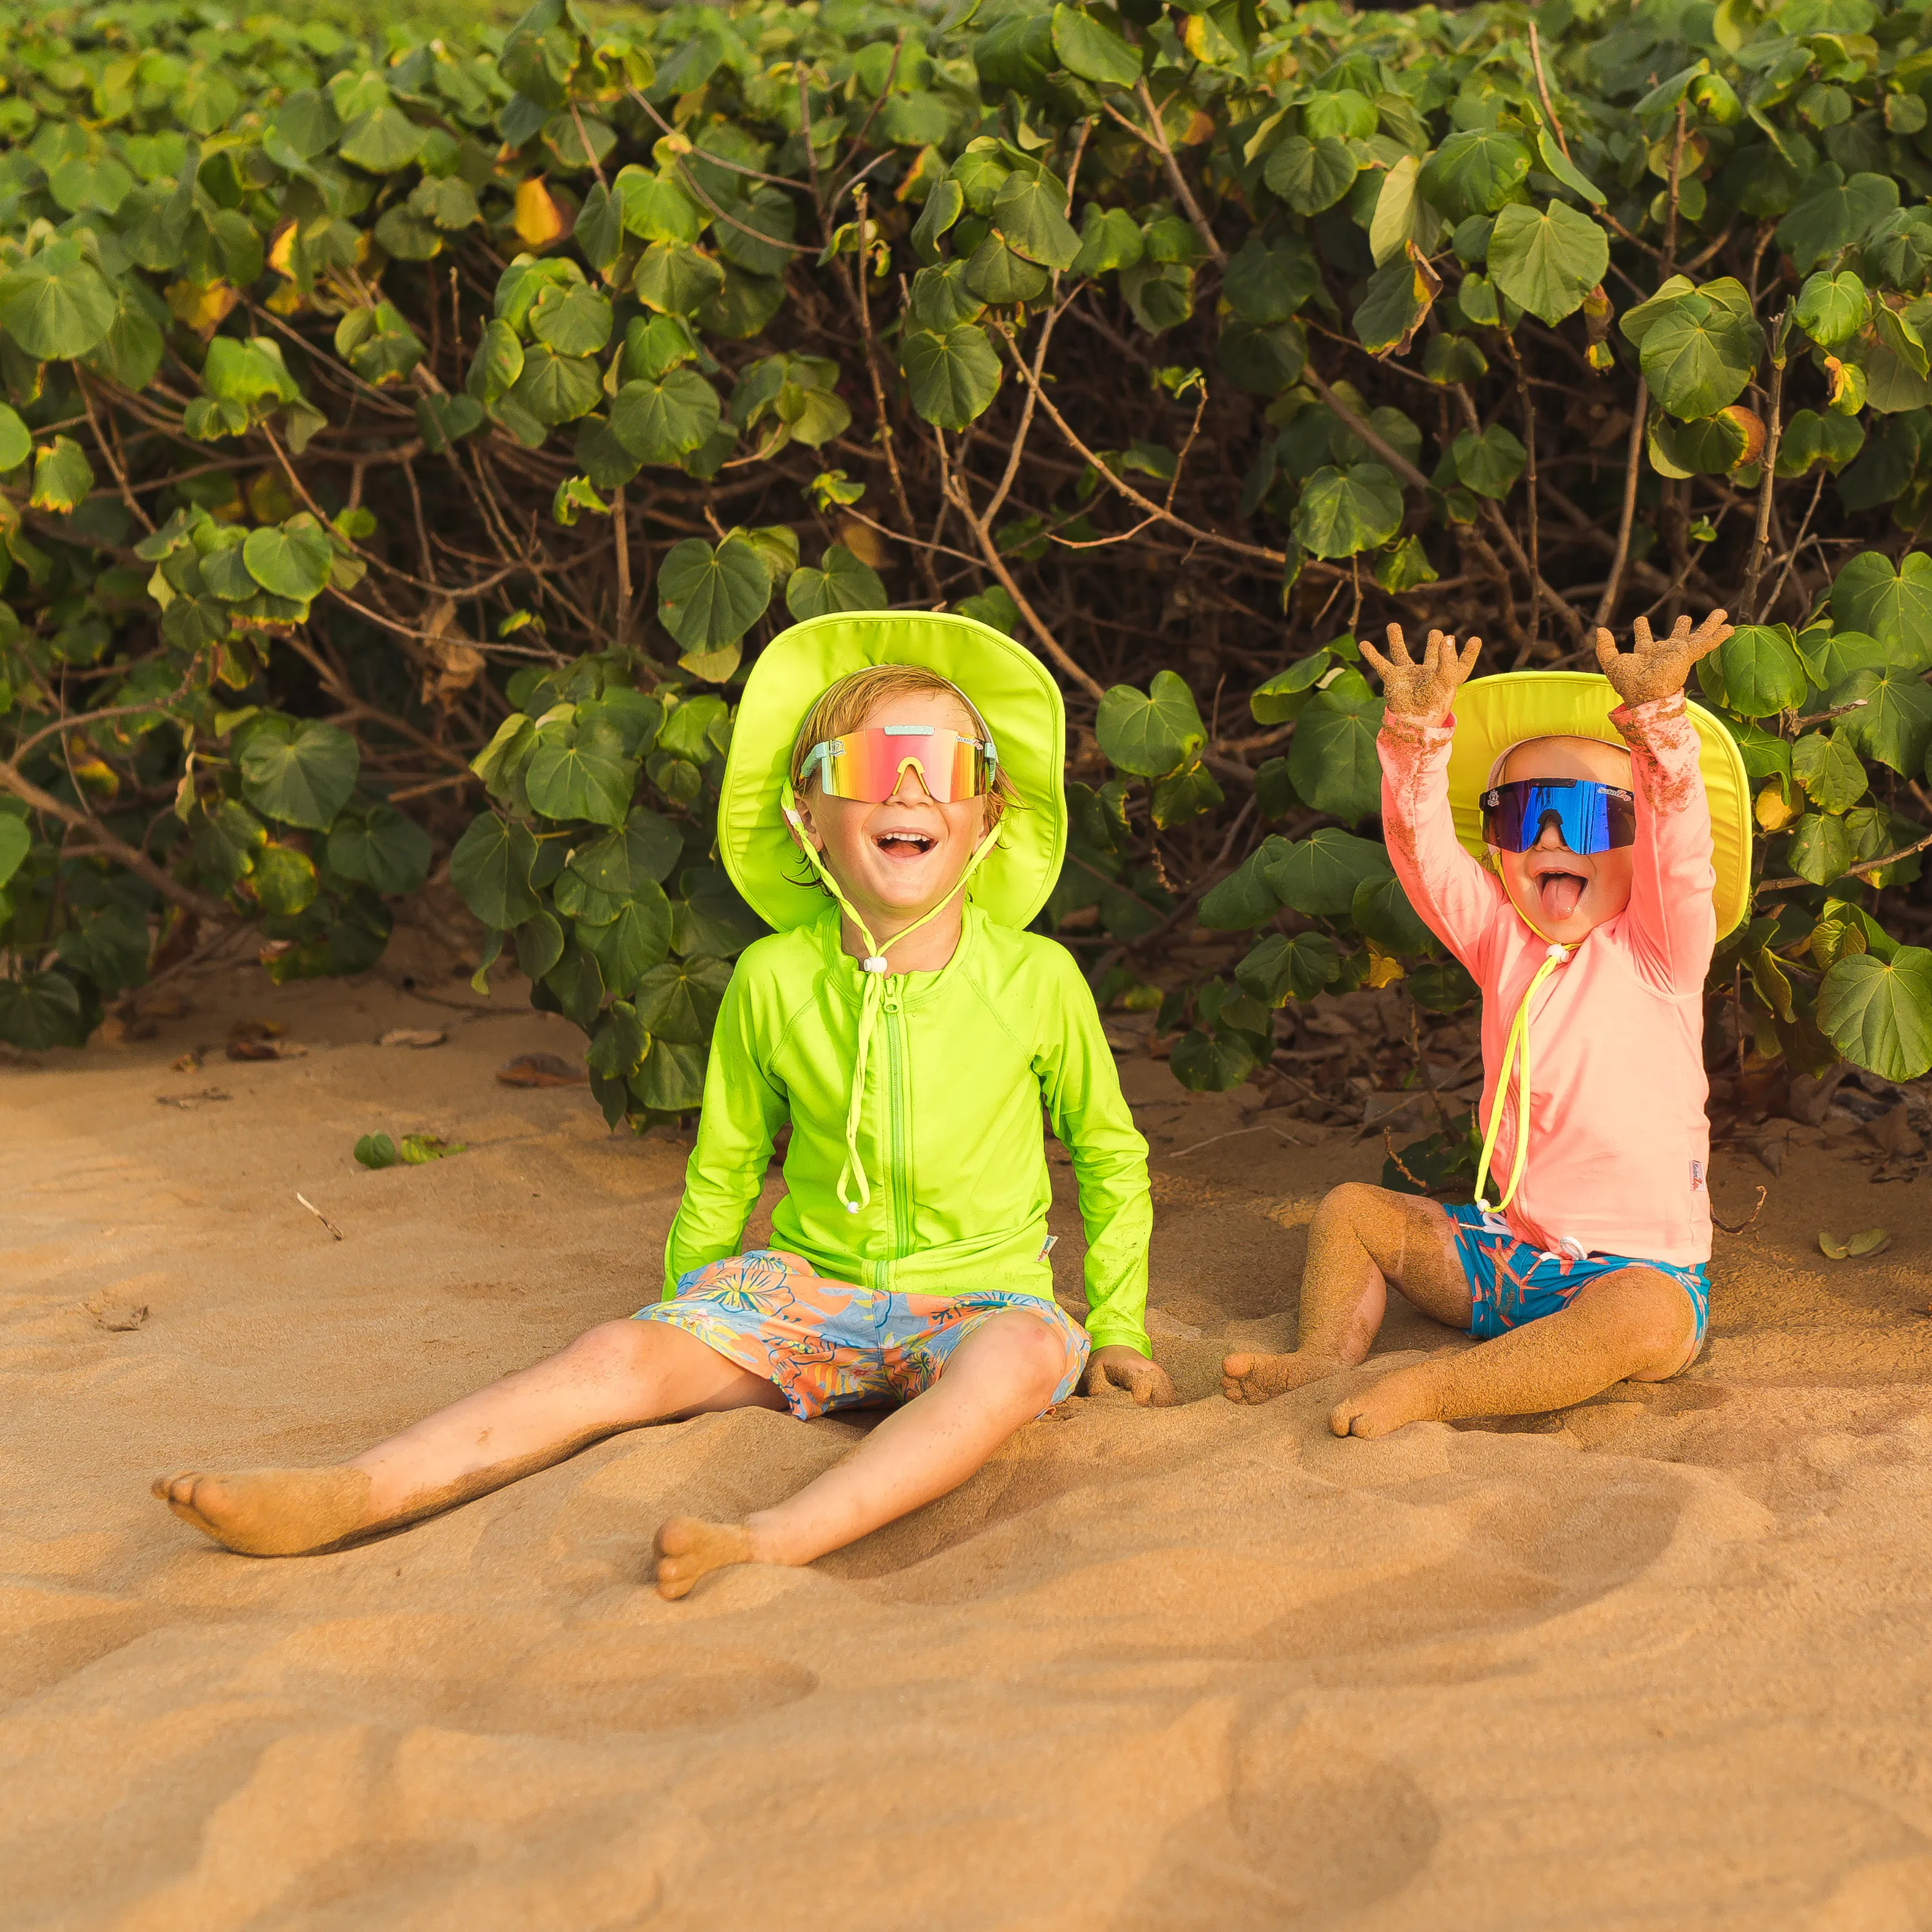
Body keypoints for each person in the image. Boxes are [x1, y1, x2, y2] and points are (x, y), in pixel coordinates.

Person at [154, 613, 1173, 1596]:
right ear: (805, 815)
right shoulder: (774, 978)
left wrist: (1117, 1326)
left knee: (1026, 1352)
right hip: (809, 1299)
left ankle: (776, 1538)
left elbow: (1108, 1155)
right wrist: (692, 1306)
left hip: (978, 1299)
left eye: (946, 769)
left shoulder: (1037, 979)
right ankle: (357, 1490)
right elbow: (725, 1162)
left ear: (988, 815)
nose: (910, 787)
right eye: (870, 767)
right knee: (614, 1353)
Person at [1223, 610, 1752, 1438]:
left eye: (1587, 818)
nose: (1548, 835)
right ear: (1500, 845)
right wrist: (1414, 730)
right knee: (1352, 1211)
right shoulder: (1501, 939)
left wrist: (1658, 720)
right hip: (1505, 1254)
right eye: (1520, 815)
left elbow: (1681, 854)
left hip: (1636, 1277)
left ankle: (1437, 1391)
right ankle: (1326, 1357)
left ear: (1635, 838)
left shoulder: (1663, 951)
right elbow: (1422, 853)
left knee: (1637, 1322)